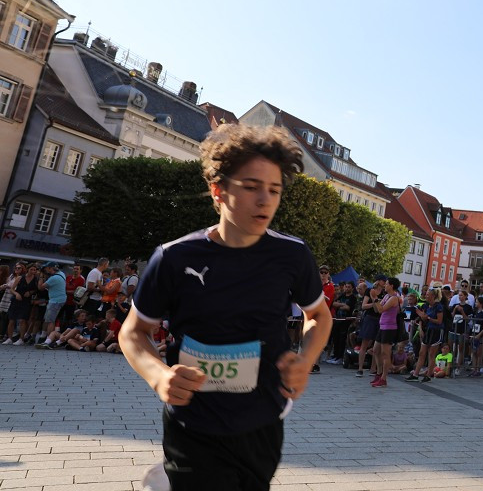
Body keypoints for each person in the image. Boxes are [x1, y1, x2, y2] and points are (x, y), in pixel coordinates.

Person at [119, 123, 331, 491]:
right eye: (251, 187)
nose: (265, 200)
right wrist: (157, 375)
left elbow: (319, 316)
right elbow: (132, 332)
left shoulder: (292, 255)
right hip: (193, 422)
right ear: (218, 191)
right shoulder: (173, 257)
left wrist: (305, 358)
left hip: (262, 420)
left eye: (274, 190)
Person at [34, 261, 66, 345]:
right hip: (58, 299)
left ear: (51, 268)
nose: (45, 270)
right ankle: (43, 336)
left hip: (55, 301)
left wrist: (41, 277)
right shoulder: (61, 274)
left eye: (47, 268)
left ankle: (48, 340)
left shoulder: (54, 278)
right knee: (47, 319)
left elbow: (40, 287)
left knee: (51, 320)